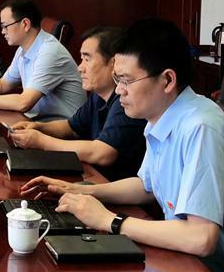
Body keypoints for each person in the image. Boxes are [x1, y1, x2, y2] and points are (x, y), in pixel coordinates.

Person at [21, 18, 224, 272]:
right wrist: (83, 191)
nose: (119, 90)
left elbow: (201, 237)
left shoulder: (200, 127)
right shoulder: (160, 116)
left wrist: (110, 221)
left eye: (126, 80)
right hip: (186, 265)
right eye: (117, 79)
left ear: (167, 80)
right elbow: (147, 186)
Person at [9, 26, 147, 181]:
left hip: (113, 186)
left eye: (87, 59)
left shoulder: (125, 100)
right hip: (94, 177)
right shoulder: (98, 96)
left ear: (113, 63)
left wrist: (41, 141)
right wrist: (38, 127)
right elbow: (71, 127)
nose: (80, 68)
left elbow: (103, 153)